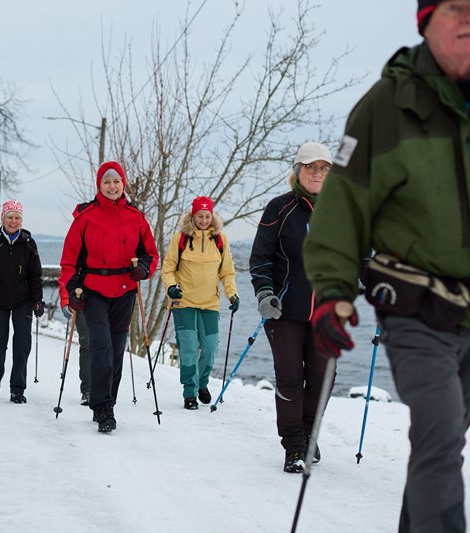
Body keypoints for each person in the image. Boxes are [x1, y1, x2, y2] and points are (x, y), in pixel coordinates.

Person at [304, 2, 470, 529]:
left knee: (438, 446)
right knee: (441, 433)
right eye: (457, 8)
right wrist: (332, 293)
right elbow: (343, 210)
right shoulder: (387, 107)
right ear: (426, 19)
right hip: (417, 309)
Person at [249, 142, 334, 474]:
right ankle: (295, 446)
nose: (317, 173)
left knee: (323, 378)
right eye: (310, 167)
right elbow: (260, 260)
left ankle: (309, 435)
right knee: (289, 379)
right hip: (283, 312)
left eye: (324, 168)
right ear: (297, 171)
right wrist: (265, 294)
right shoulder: (279, 208)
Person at [58, 161, 159, 432]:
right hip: (93, 290)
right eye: (106, 182)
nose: (112, 186)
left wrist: (144, 268)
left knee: (116, 350)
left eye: (116, 181)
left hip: (125, 290)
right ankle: (102, 408)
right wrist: (69, 293)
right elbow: (68, 263)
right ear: (99, 185)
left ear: (123, 184)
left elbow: (151, 253)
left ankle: (108, 400)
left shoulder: (136, 217)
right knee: (100, 346)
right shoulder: (86, 217)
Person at [161, 196, 239, 410]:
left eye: (207, 216)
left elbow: (227, 273)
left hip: (210, 304)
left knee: (210, 348)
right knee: (188, 349)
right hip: (183, 302)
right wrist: (171, 288)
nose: (204, 220)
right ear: (192, 216)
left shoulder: (220, 239)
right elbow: (167, 269)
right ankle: (189, 392)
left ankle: (202, 384)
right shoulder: (181, 238)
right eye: (200, 216)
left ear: (212, 217)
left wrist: (232, 295)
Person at [0, 200, 44, 404]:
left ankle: (17, 389)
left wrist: (37, 299)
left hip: (23, 301)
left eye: (17, 218)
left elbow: (35, 275)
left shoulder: (29, 244)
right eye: (10, 217)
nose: (13, 221)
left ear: (21, 220)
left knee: (22, 343)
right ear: (2, 219)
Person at [59, 290, 91, 405]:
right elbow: (65, 279)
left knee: (104, 345)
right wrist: (65, 302)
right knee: (87, 343)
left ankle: (104, 389)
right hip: (79, 301)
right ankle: (87, 390)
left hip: (104, 300)